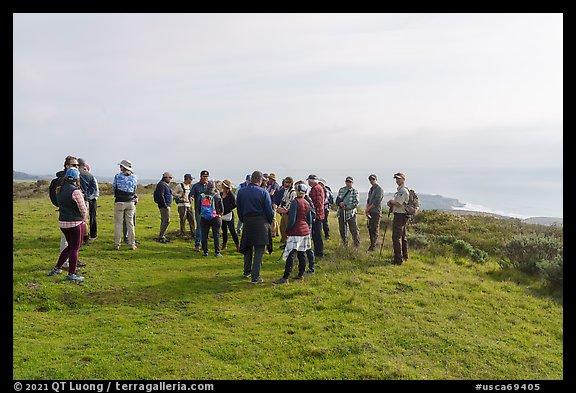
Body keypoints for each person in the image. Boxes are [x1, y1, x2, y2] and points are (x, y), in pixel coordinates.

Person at [47, 167, 87, 282]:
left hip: (62, 222)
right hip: (75, 223)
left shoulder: (59, 189)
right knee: (75, 248)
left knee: (69, 246)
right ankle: (72, 273)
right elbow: (83, 208)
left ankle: (57, 268)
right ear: (76, 177)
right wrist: (85, 220)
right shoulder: (76, 191)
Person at [237, 171, 274, 284]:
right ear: (260, 180)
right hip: (261, 222)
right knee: (259, 249)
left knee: (247, 247)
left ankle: (246, 272)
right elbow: (269, 210)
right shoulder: (263, 192)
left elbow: (239, 209)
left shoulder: (241, 192)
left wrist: (244, 220)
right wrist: (269, 221)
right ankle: (255, 276)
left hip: (247, 221)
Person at [272, 183, 313, 285]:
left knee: (291, 254)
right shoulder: (306, 203)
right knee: (302, 253)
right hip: (305, 231)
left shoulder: (295, 202)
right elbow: (310, 219)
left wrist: (288, 230)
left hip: (296, 231)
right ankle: (300, 275)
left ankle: (285, 278)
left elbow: (292, 219)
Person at [112, 159, 138, 250]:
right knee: (130, 223)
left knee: (118, 224)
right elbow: (134, 189)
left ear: (123, 167)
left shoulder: (118, 176)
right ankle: (132, 243)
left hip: (119, 201)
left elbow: (114, 187)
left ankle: (117, 244)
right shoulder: (134, 177)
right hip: (130, 201)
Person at [386, 172, 410, 265]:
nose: (397, 180)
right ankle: (404, 256)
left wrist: (392, 202)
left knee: (396, 237)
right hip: (402, 215)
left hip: (400, 215)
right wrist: (392, 203)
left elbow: (399, 203)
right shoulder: (401, 190)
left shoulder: (402, 191)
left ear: (403, 179)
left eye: (399, 178)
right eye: (396, 179)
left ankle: (398, 259)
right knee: (402, 236)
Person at [200, 181, 224, 257]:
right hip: (215, 217)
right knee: (216, 235)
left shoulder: (202, 196)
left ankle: (205, 252)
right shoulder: (217, 196)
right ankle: (217, 252)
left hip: (204, 218)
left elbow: (198, 207)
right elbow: (221, 208)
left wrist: (201, 214)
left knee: (204, 235)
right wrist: (220, 214)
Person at [77, 158, 99, 242]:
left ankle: (83, 237)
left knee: (81, 218)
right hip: (89, 198)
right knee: (89, 218)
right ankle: (90, 235)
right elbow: (95, 190)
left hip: (81, 198)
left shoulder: (76, 174)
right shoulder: (90, 176)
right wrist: (89, 197)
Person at [336, 176, 360, 248]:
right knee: (343, 230)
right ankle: (345, 245)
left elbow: (356, 203)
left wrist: (347, 207)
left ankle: (356, 245)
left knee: (354, 230)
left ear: (352, 183)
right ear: (345, 182)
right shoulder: (341, 190)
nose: (348, 183)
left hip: (351, 213)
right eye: (347, 181)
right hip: (341, 212)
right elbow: (338, 200)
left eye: (350, 182)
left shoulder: (355, 191)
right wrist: (340, 204)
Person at [190, 170, 210, 252]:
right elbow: (191, 195)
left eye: (206, 176)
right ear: (200, 177)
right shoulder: (196, 186)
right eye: (203, 176)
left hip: (208, 210)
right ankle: (197, 245)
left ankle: (204, 245)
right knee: (199, 227)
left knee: (207, 228)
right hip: (199, 210)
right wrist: (191, 198)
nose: (205, 178)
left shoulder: (210, 186)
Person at [307, 174, 325, 258]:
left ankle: (319, 253)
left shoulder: (316, 189)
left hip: (317, 215)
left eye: (309, 181)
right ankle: (318, 252)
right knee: (316, 234)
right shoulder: (317, 188)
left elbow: (317, 203)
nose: (308, 183)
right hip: (318, 214)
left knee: (317, 234)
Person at [173, 174, 196, 238]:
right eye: (190, 179)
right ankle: (182, 232)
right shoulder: (179, 186)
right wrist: (180, 195)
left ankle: (193, 233)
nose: (191, 180)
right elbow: (174, 193)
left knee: (191, 219)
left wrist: (191, 198)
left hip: (189, 204)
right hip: (182, 205)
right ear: (187, 179)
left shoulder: (189, 186)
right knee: (183, 219)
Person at [365, 174, 384, 251]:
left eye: (373, 179)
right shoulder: (371, 189)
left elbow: (377, 202)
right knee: (370, 228)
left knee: (375, 229)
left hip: (376, 212)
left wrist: (368, 209)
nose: (371, 181)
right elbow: (368, 200)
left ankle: (373, 246)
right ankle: (372, 243)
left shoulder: (379, 189)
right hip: (370, 211)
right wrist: (367, 209)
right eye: (370, 179)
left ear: (376, 179)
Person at [220, 179, 240, 252]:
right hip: (222, 214)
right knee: (224, 230)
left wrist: (228, 209)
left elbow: (234, 204)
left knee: (232, 231)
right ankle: (224, 244)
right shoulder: (221, 194)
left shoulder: (231, 194)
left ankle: (237, 245)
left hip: (228, 214)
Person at [276, 176, 295, 248]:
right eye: (285, 182)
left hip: (288, 213)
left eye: (288, 183)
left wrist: (286, 210)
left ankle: (288, 243)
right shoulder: (285, 190)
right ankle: (284, 241)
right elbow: (283, 200)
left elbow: (291, 202)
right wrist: (279, 208)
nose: (286, 184)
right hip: (284, 211)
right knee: (282, 227)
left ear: (291, 183)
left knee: (288, 228)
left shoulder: (293, 192)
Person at [154, 172, 174, 243]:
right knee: (166, 221)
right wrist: (165, 205)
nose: (171, 179)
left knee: (165, 221)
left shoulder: (164, 184)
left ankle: (162, 235)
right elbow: (161, 195)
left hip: (166, 205)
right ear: (166, 177)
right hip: (164, 206)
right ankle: (161, 236)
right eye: (170, 178)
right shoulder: (162, 184)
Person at [267, 173, 281, 237]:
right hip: (274, 202)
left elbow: (271, 193)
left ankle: (273, 233)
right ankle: (277, 232)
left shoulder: (274, 185)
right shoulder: (275, 185)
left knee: (273, 218)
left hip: (273, 203)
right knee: (274, 218)